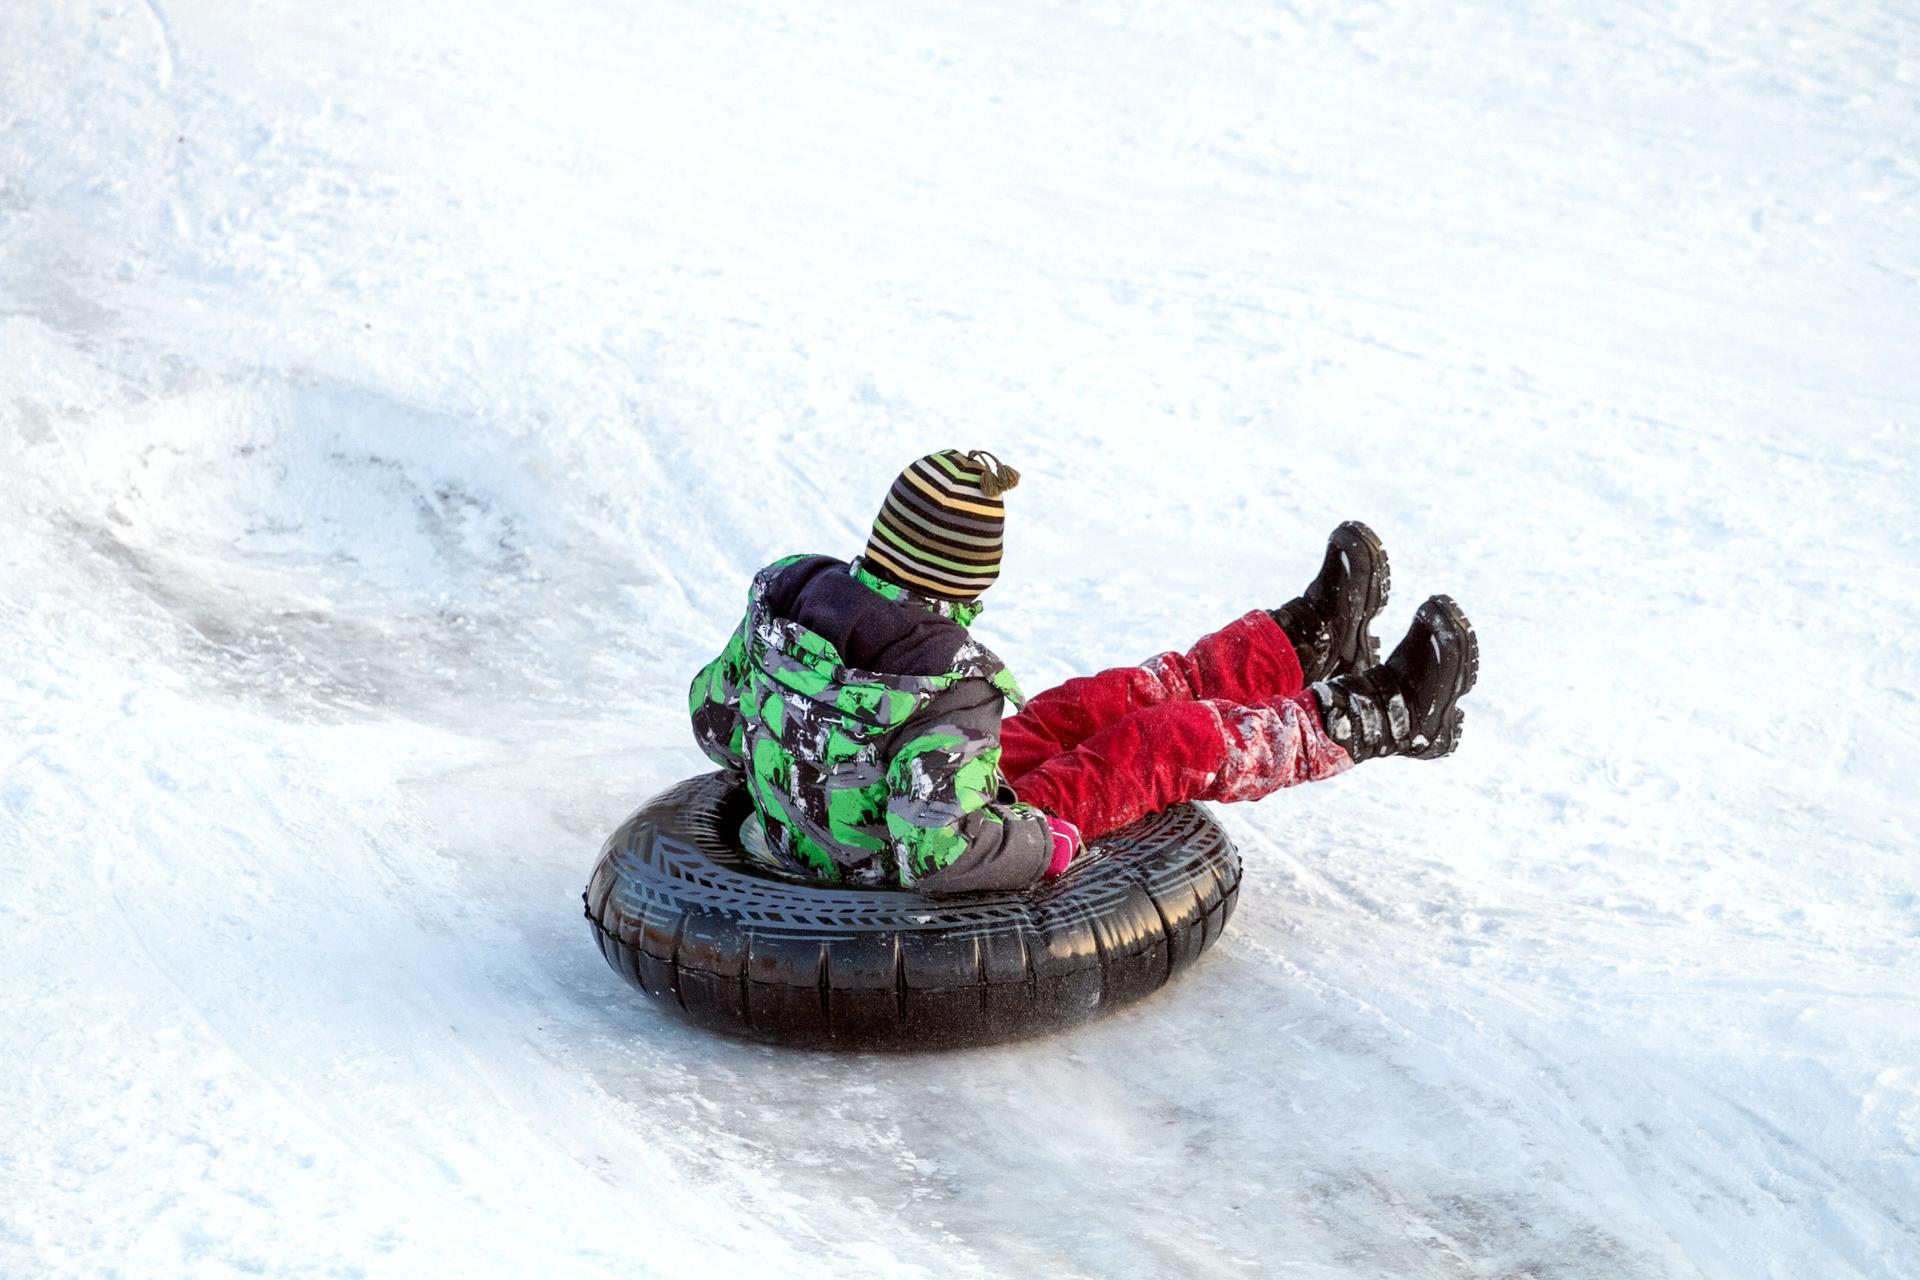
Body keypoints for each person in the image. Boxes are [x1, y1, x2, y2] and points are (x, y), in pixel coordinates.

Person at [689, 449, 1478, 896]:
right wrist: (1043, 843)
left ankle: (1297, 647)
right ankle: (1377, 716)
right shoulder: (943, 686)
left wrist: (806, 760)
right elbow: (940, 853)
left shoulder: (790, 596)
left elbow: (714, 719)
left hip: (863, 802)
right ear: (966, 580)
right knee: (1164, 743)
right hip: (882, 867)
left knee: (1090, 704)